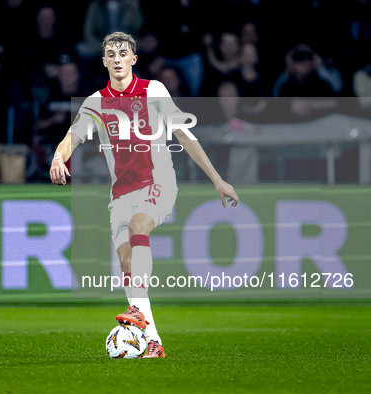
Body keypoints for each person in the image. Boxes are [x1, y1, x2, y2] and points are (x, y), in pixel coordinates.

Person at [49, 32, 239, 358]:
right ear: (105, 61)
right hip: (120, 192)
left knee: (139, 227)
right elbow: (72, 137)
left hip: (158, 181)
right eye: (112, 54)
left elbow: (184, 134)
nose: (118, 58)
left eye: (124, 53)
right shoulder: (95, 102)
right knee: (126, 262)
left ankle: (137, 314)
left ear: (134, 59)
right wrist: (57, 157)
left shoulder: (154, 91)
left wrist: (217, 179)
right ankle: (153, 341)